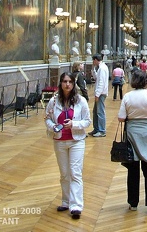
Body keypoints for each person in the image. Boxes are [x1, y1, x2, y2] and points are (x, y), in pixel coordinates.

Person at [45, 72, 91, 220]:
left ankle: (76, 205)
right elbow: (47, 119)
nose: (67, 84)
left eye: (70, 82)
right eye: (65, 81)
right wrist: (54, 127)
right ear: (61, 83)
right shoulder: (53, 101)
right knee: (64, 173)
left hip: (76, 140)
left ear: (73, 84)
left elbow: (87, 121)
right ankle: (66, 201)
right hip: (59, 140)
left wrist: (74, 124)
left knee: (75, 172)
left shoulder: (81, 101)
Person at [118, 69, 147, 216]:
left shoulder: (127, 96)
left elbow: (121, 118)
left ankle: (133, 203)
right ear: (145, 81)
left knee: (133, 169)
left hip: (132, 133)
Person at [90, 54, 109, 137]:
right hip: (99, 93)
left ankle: (102, 130)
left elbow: (101, 82)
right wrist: (93, 69)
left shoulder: (102, 68)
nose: (92, 62)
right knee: (95, 111)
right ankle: (96, 129)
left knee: (100, 112)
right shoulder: (100, 68)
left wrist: (97, 94)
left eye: (93, 60)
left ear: (95, 60)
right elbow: (96, 78)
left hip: (101, 94)